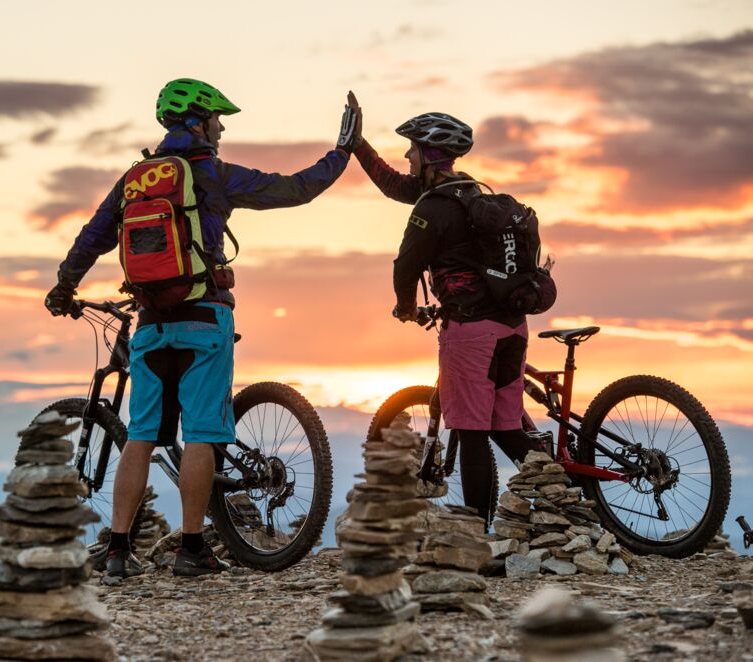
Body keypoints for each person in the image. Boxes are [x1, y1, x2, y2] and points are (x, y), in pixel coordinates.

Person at [45, 79, 356, 579]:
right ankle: (192, 548)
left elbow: (92, 237)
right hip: (204, 319)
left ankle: (119, 551)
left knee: (142, 436)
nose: (222, 126)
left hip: (150, 327)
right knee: (203, 436)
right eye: (217, 118)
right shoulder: (211, 174)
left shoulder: (135, 178)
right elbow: (296, 189)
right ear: (198, 121)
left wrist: (64, 285)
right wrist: (342, 153)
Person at [345, 92, 541, 523]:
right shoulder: (470, 194)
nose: (407, 156)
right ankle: (566, 495)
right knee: (506, 428)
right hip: (511, 327)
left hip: (470, 331)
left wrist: (405, 308)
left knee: (471, 434)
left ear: (430, 154)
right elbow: (397, 185)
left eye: (413, 149)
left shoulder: (434, 209)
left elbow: (406, 266)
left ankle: (474, 537)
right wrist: (358, 145)